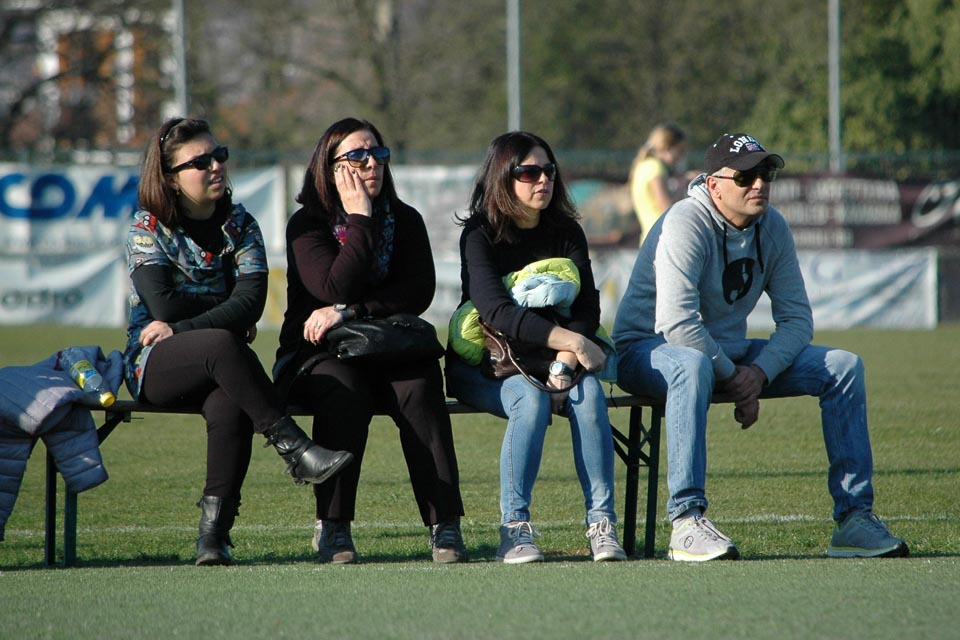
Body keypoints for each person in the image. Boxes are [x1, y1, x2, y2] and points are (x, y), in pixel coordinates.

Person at [613, 132, 909, 561]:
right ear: (714, 185)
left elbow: (797, 321)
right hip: (647, 350)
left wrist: (758, 373)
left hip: (725, 357)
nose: (759, 184)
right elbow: (677, 325)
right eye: (745, 176)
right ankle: (686, 521)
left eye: (766, 174)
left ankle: (854, 520)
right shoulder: (685, 221)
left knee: (843, 366)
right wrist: (736, 377)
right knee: (691, 364)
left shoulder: (773, 226)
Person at [124, 117, 353, 566]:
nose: (216, 166)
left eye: (219, 155)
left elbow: (251, 304)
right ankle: (295, 448)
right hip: (154, 361)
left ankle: (214, 538)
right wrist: (220, 316)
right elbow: (163, 304)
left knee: (231, 402)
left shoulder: (241, 224)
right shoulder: (145, 227)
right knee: (225, 345)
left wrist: (186, 325)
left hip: (216, 361)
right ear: (169, 178)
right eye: (200, 162)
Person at [273, 117, 467, 564]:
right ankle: (334, 526)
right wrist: (359, 217)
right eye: (357, 156)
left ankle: (445, 524)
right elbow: (332, 286)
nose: (371, 164)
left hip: (387, 346)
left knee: (420, 386)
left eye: (377, 154)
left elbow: (417, 293)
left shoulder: (405, 219)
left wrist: (352, 312)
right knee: (344, 390)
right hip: (318, 353)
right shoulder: (307, 225)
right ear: (329, 167)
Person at [445, 131, 627, 564]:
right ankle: (514, 529)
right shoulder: (479, 233)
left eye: (548, 170)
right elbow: (496, 311)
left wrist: (564, 360)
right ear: (503, 177)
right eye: (528, 172)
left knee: (588, 394)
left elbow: (587, 304)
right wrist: (574, 342)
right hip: (489, 365)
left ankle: (602, 525)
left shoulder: (566, 230)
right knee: (529, 400)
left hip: (551, 361)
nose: (542, 179)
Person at [629, 123, 689, 247]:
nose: (681, 156)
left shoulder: (643, 166)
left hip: (650, 238)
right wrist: (684, 184)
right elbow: (667, 209)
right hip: (659, 240)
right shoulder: (655, 168)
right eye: (680, 150)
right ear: (668, 148)